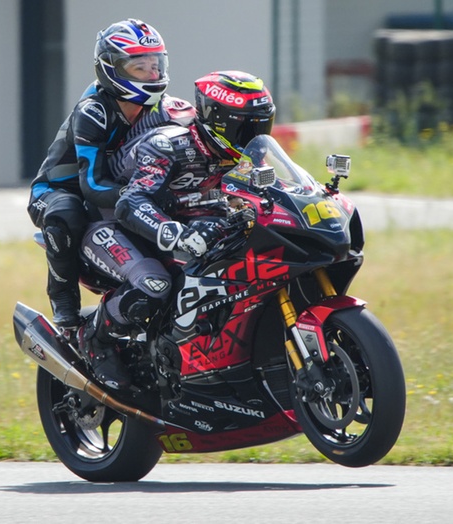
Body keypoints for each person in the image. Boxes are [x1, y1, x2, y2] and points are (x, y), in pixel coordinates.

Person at [78, 71, 276, 390]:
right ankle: (94, 339)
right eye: (247, 127)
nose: (255, 137)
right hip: (111, 225)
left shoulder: (242, 155)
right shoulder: (168, 144)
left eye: (261, 127)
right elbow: (130, 202)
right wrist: (178, 235)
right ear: (219, 120)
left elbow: (270, 189)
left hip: (177, 222)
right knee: (154, 285)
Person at [26, 18, 172, 331]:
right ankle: (63, 303)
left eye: (156, 65)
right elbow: (90, 184)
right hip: (56, 193)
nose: (152, 74)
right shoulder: (93, 111)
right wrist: (139, 198)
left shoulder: (163, 109)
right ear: (113, 69)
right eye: (140, 67)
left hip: (117, 190)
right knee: (68, 212)